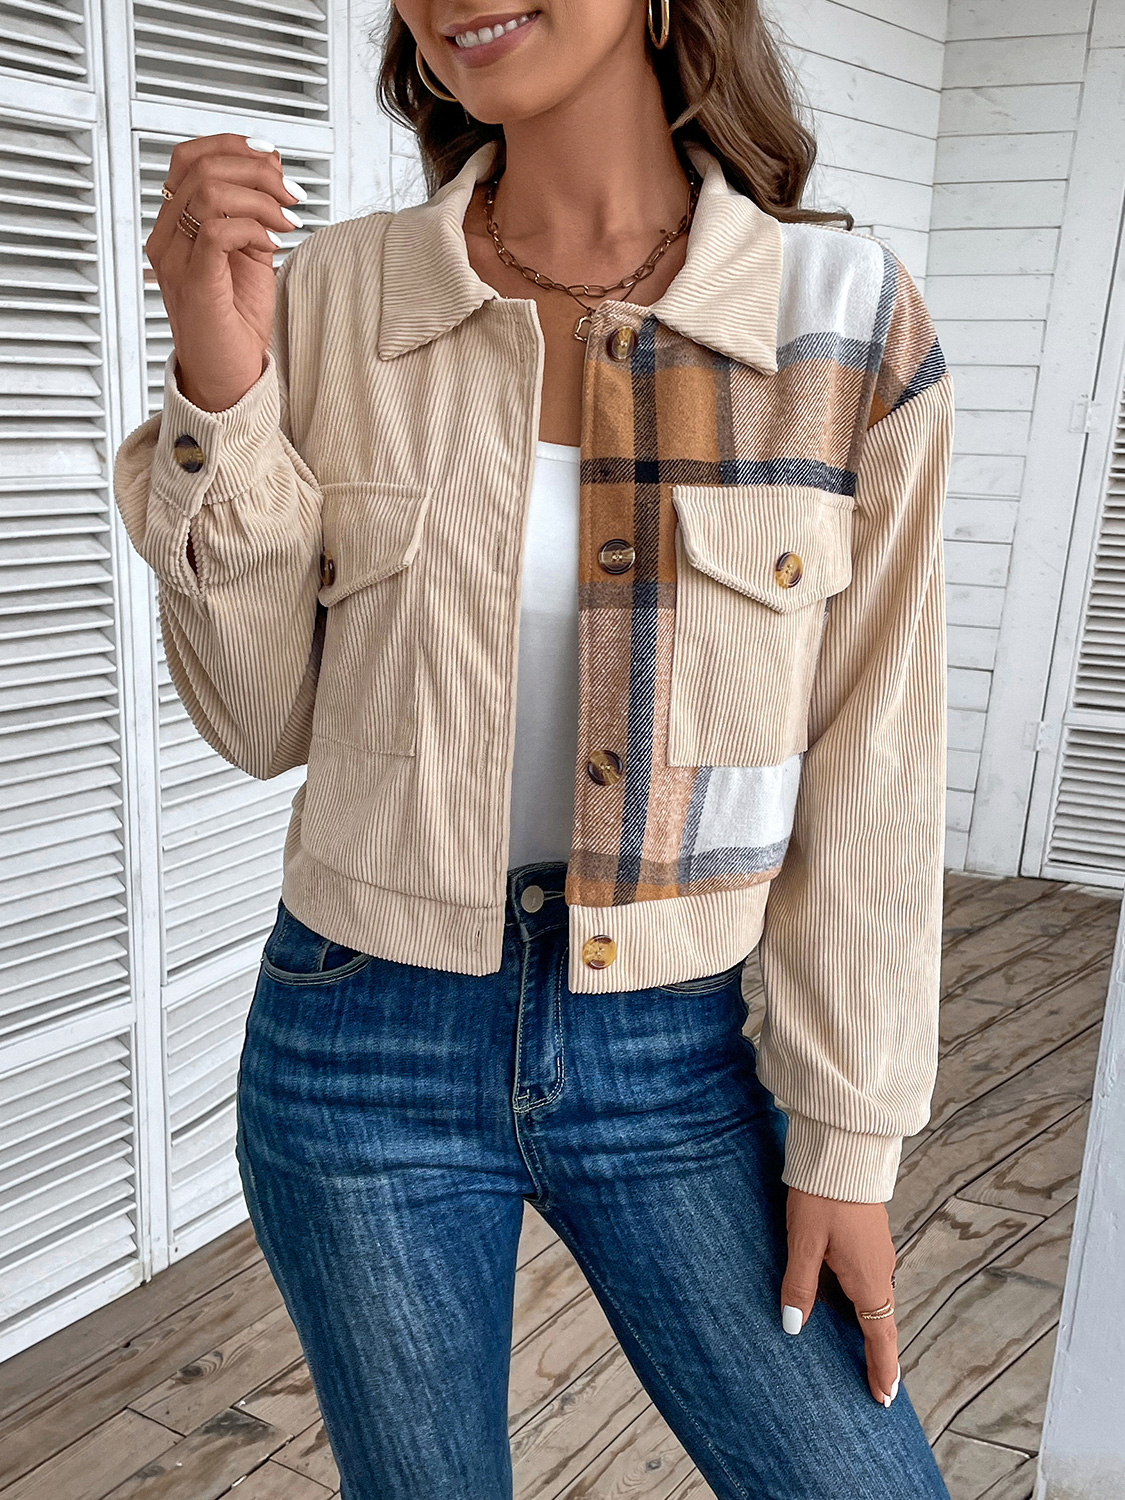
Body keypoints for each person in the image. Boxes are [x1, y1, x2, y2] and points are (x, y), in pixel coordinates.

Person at [113, 1, 954, 1494]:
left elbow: (873, 763)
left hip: (687, 1047)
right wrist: (218, 383)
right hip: (359, 1032)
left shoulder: (837, 319)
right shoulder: (336, 295)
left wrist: (847, 1135)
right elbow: (257, 720)